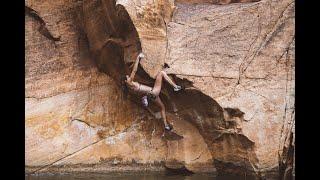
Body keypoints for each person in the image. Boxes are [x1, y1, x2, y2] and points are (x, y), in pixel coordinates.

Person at [125, 52, 182, 131]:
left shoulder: (131, 88)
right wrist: (138, 58)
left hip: (153, 96)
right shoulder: (130, 82)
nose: (128, 76)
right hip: (153, 92)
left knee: (162, 107)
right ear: (126, 82)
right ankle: (175, 87)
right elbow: (134, 70)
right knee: (161, 73)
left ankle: (166, 125)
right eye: (127, 78)